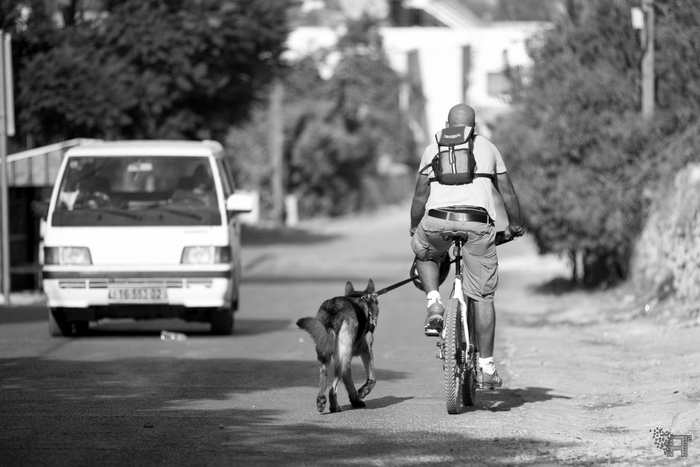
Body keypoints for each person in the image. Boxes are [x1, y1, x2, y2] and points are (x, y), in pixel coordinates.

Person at [409, 103, 524, 389]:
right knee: (483, 296)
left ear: (448, 124)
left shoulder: (433, 146)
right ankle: (486, 367)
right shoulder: (487, 147)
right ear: (475, 126)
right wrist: (515, 226)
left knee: (424, 252)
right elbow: (507, 193)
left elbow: (419, 197)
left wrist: (415, 228)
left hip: (436, 221)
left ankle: (434, 302)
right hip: (476, 223)